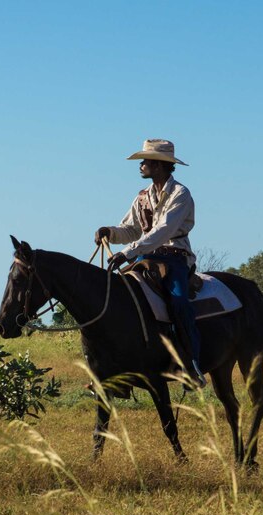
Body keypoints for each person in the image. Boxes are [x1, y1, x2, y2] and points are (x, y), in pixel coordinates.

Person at [94, 139, 206, 387]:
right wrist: (110, 233)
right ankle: (117, 370)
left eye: (146, 161)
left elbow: (163, 232)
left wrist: (128, 252)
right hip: (145, 258)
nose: (141, 165)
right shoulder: (142, 197)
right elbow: (131, 229)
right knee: (118, 299)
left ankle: (191, 365)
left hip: (174, 258)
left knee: (179, 302)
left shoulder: (180, 194)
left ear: (159, 165)